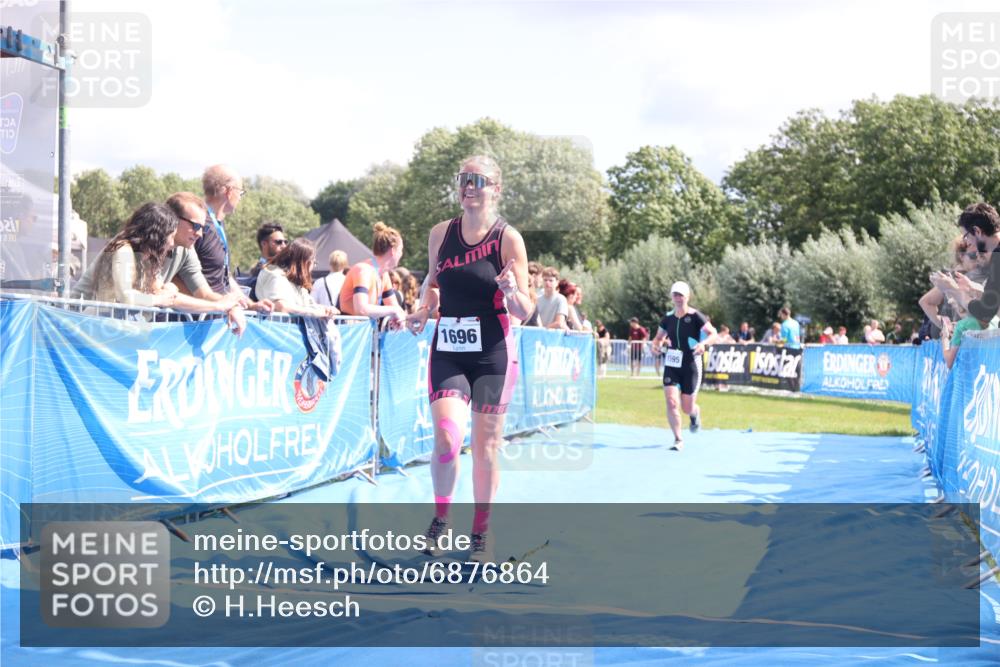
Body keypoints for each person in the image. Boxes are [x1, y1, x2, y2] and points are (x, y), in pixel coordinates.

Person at [406, 155, 532, 563]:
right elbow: (433, 284)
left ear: (496, 188)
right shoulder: (440, 234)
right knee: (446, 437)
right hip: (450, 351)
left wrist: (511, 289)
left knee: (486, 446)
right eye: (464, 179)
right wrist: (424, 310)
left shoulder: (507, 239)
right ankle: (442, 518)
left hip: (493, 351)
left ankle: (481, 532)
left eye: (479, 180)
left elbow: (524, 311)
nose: (470, 186)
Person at [651, 281, 722, 450]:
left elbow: (714, 334)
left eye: (681, 295)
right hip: (672, 364)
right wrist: (655, 346)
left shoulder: (696, 316)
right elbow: (658, 338)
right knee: (671, 402)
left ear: (687, 296)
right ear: (671, 297)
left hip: (691, 364)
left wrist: (703, 345)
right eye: (675, 294)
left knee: (686, 407)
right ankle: (678, 439)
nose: (678, 298)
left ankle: (694, 414)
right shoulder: (667, 319)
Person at [72, 202, 180, 309]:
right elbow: (125, 296)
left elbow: (156, 288)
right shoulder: (124, 250)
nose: (172, 243)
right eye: (171, 236)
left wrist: (169, 289)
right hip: (86, 319)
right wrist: (159, 300)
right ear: (158, 234)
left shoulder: (143, 256)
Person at [338, 222, 407, 327]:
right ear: (393, 251)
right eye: (401, 250)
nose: (401, 254)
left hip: (363, 332)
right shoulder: (363, 270)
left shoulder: (384, 275)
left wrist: (401, 318)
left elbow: (395, 307)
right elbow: (361, 309)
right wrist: (394, 311)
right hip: (349, 333)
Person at [254, 239, 339, 318]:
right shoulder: (275, 275)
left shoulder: (294, 281)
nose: (313, 267)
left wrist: (327, 309)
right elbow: (282, 307)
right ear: (304, 263)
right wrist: (316, 313)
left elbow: (309, 305)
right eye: (313, 262)